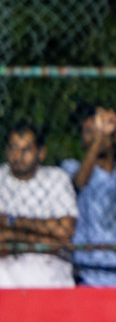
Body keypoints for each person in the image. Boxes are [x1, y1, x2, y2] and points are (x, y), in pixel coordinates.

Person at [61, 105, 116, 286]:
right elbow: (80, 183)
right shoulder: (71, 169)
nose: (98, 136)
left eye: (102, 130)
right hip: (86, 272)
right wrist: (100, 137)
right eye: (90, 132)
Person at [0, 122, 77, 288]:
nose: (18, 155)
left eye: (26, 149)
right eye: (13, 148)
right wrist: (45, 241)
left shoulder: (56, 178)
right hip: (6, 282)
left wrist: (11, 223)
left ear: (41, 153)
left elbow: (64, 232)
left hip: (51, 280)